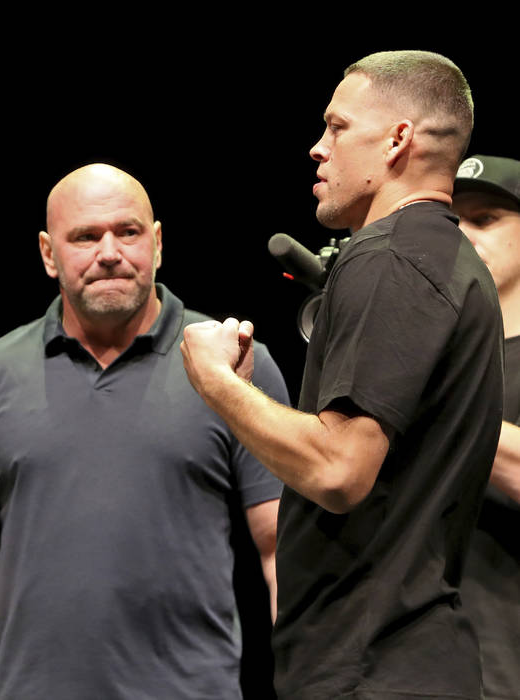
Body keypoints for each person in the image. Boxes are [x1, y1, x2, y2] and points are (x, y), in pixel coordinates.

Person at [0, 163, 289, 699]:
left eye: (127, 232)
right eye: (84, 236)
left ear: (157, 242)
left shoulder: (233, 364)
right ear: (48, 253)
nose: (108, 252)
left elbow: (281, 549)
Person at [180, 50, 503, 698]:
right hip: (403, 659)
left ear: (397, 140)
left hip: (372, 666)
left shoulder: (387, 258)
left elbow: (338, 469)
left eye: (336, 127)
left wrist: (215, 382)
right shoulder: (455, 263)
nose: (317, 148)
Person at [452, 154, 520, 699]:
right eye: (452, 221)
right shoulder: (430, 357)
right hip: (417, 652)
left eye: (485, 219)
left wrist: (435, 399)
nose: (463, 235)